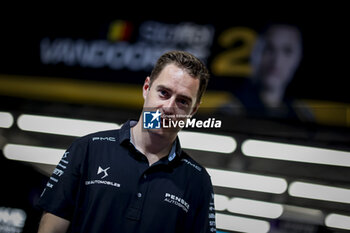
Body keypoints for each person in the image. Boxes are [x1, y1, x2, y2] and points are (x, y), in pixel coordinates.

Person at [36, 50, 216, 233]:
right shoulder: (88, 149)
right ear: (146, 88)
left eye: (183, 101)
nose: (169, 107)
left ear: (193, 111)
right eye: (163, 93)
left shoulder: (198, 182)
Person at [226, 23, 313, 121]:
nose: (277, 61)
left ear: (298, 58)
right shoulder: (232, 109)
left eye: (287, 51)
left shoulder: (302, 114)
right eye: (269, 48)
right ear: (257, 53)